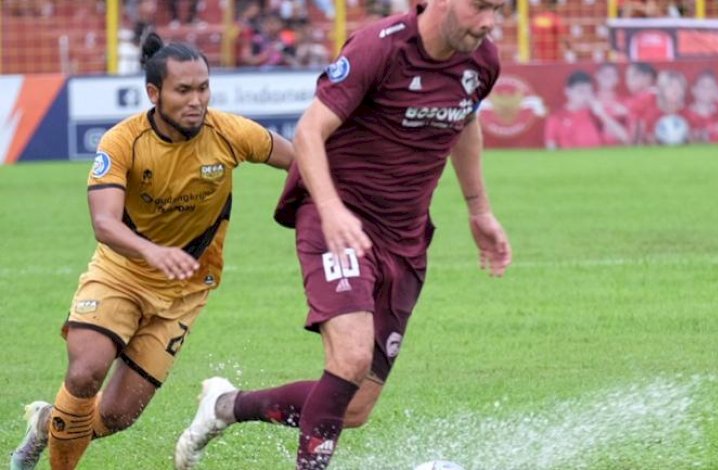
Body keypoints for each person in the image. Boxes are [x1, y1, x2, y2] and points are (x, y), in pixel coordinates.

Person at [173, 0, 511, 468]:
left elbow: (465, 121)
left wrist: (479, 210)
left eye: (498, 9)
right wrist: (330, 209)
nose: (490, 22)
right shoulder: (381, 47)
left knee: (353, 407)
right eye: (481, 7)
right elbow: (309, 131)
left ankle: (225, 406)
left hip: (405, 239)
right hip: (337, 219)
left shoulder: (483, 60)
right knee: (350, 359)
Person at [8, 33, 294, 470]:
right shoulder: (123, 142)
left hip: (185, 291)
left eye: (203, 88)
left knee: (116, 416)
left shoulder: (231, 133)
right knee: (85, 372)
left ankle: (48, 422)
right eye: (184, 90)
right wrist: (152, 251)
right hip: (120, 273)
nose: (196, 100)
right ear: (154, 93)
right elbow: (104, 223)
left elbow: (299, 160)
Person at [544, 70, 628, 150]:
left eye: (589, 91)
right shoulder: (556, 118)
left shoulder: (597, 113)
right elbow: (551, 148)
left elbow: (625, 138)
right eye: (581, 91)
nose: (585, 96)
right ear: (568, 91)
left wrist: (602, 114)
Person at [684, 70, 718, 144]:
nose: (707, 90)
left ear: (717, 91)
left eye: (711, 86)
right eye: (703, 86)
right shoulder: (682, 116)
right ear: (694, 90)